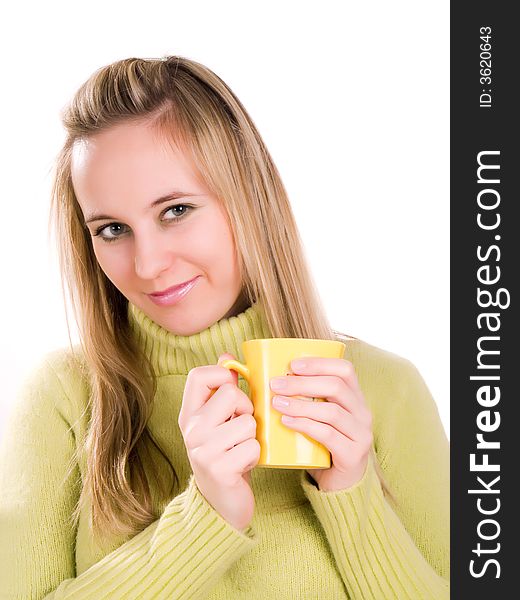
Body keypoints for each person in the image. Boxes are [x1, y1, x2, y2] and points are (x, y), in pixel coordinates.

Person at [0, 56, 449, 599]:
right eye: (112, 229)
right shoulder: (64, 397)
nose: (147, 265)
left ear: (248, 199)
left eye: (175, 211)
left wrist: (352, 496)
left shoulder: (384, 388)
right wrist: (206, 519)